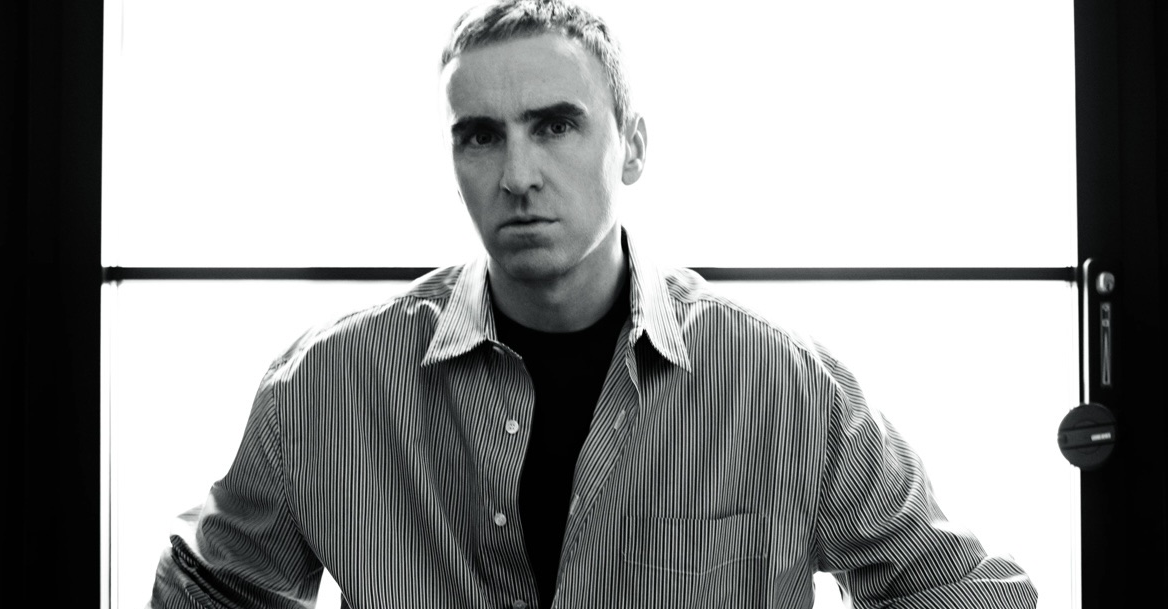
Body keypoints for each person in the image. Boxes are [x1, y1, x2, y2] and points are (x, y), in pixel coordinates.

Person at [151, 1, 1038, 607]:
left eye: (555, 125)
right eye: (481, 136)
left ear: (633, 147)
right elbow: (208, 591)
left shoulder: (783, 383)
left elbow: (968, 593)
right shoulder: (326, 384)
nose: (518, 174)